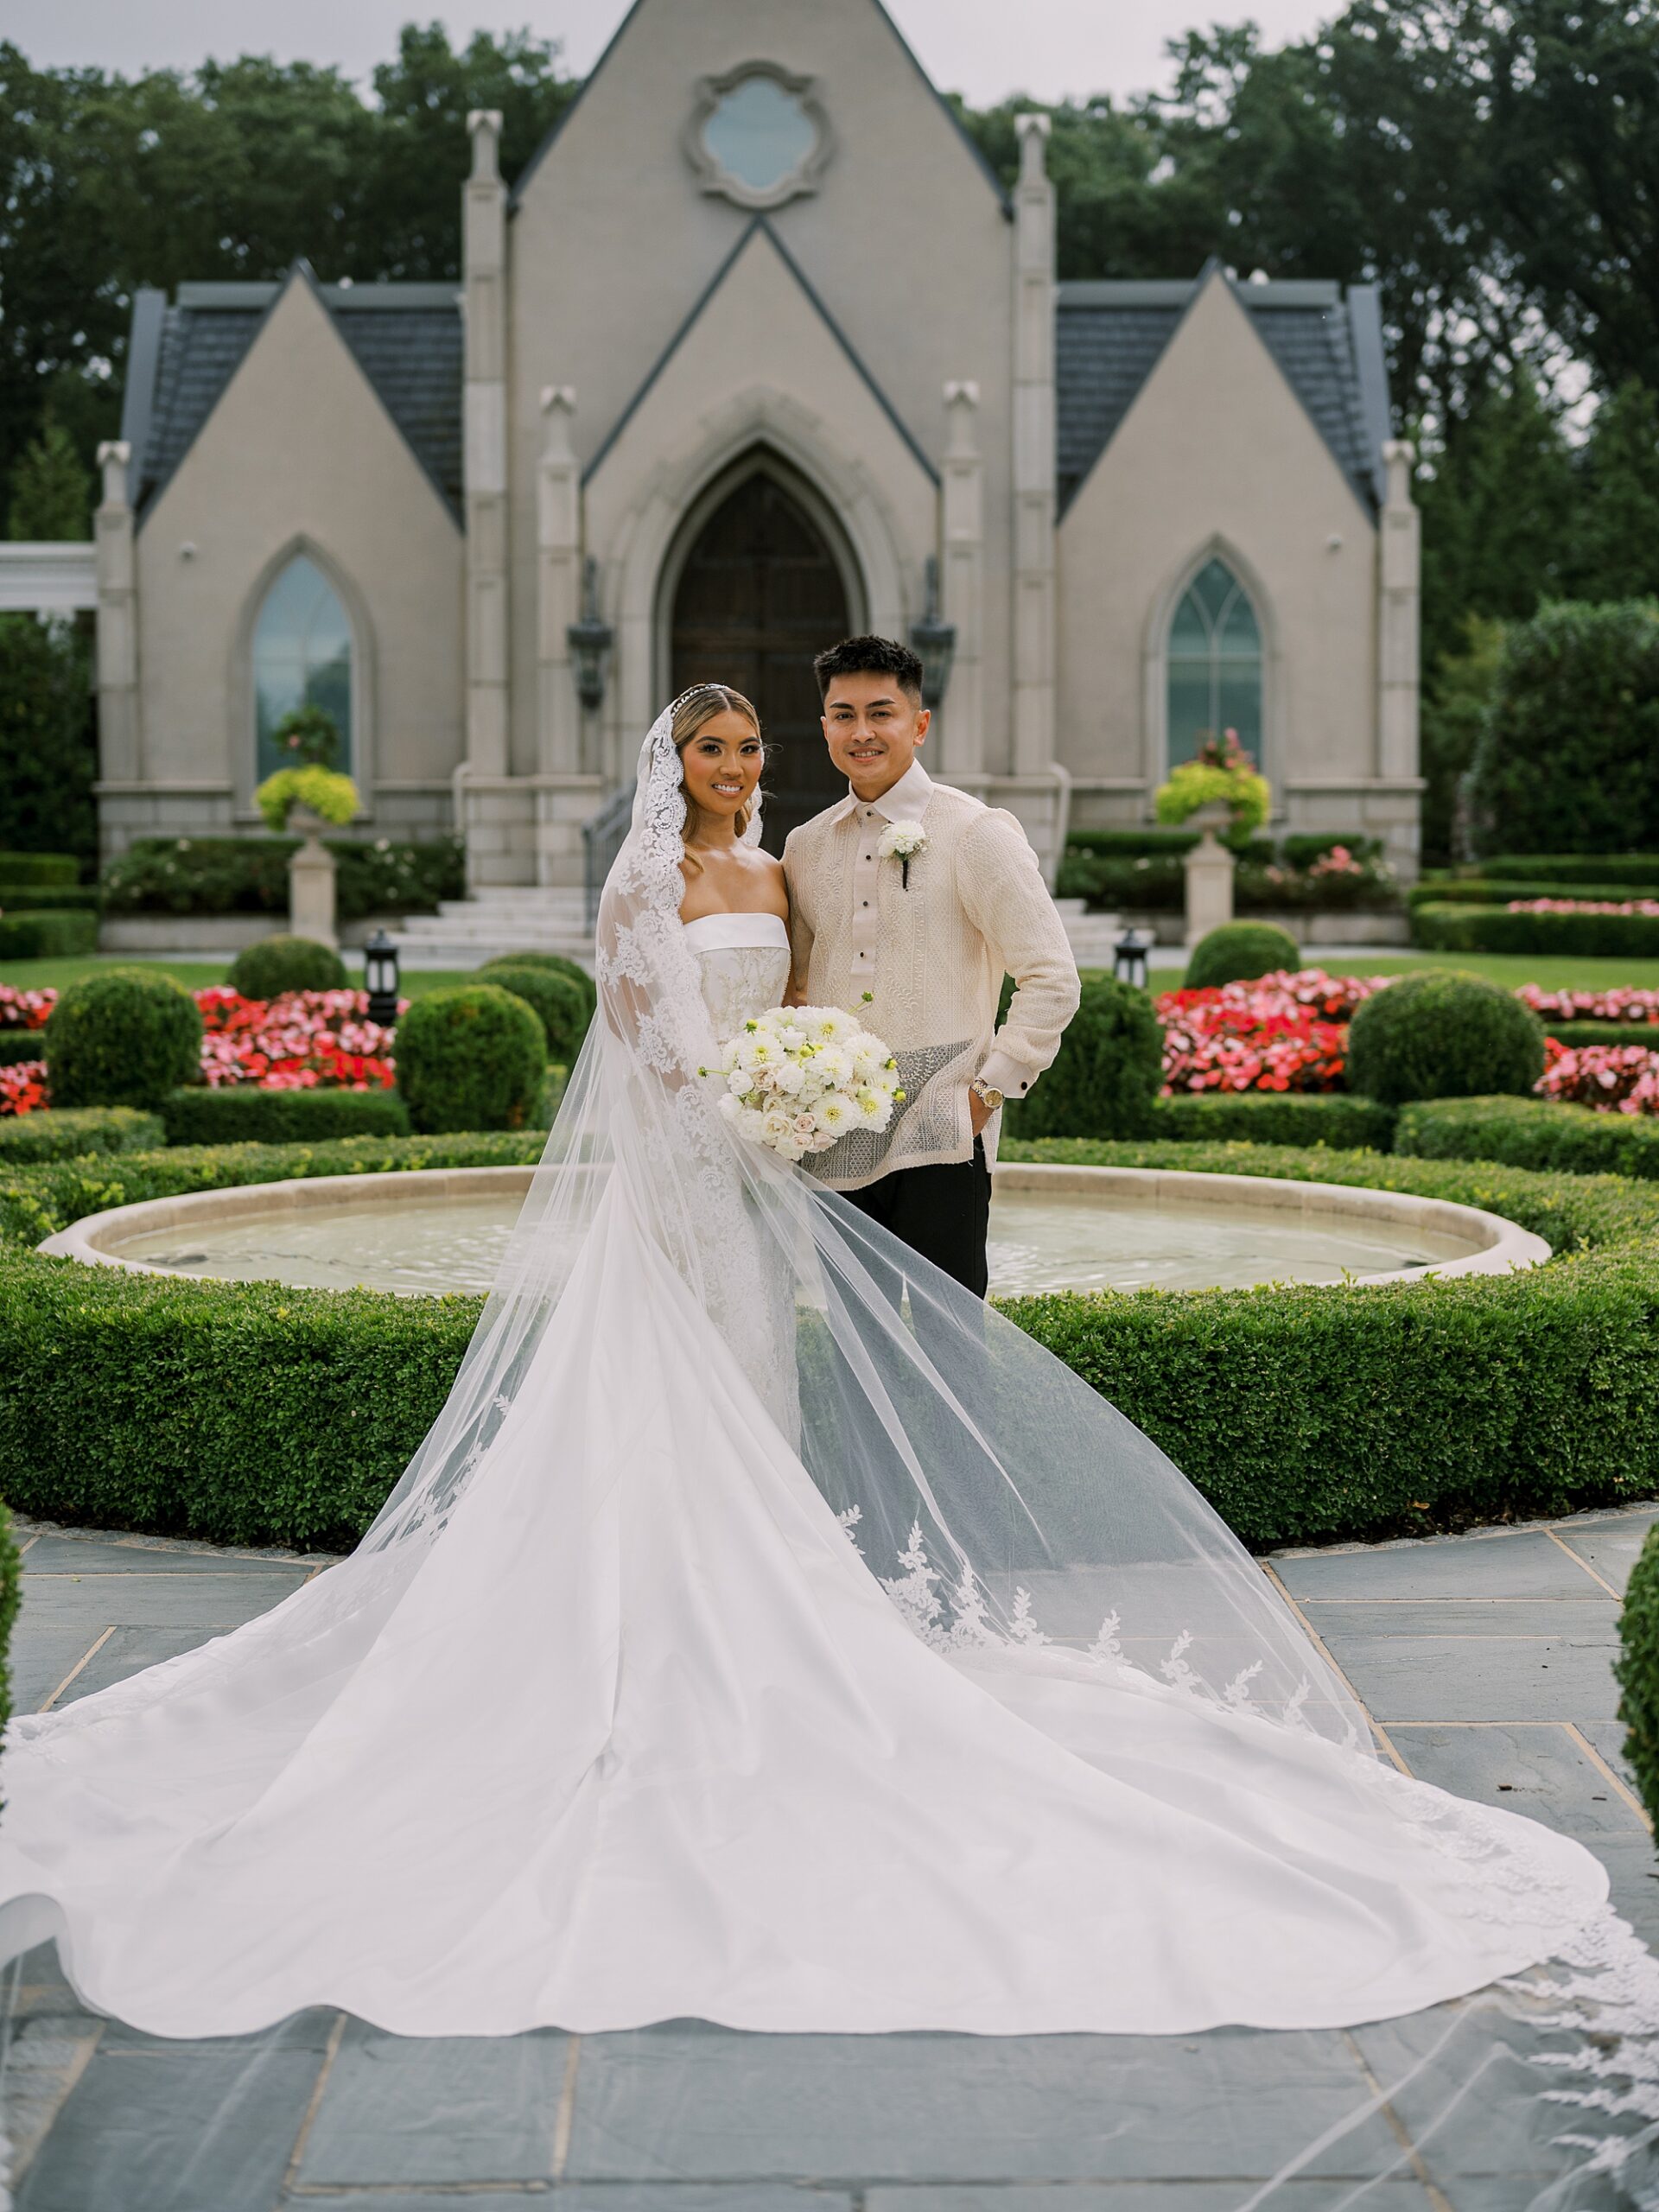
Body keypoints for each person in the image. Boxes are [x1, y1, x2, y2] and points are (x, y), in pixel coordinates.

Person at [0, 684, 1649, 2208]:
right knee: (661, 1403)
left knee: (755, 1409)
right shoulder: (641, 889)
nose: (738, 774)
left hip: (769, 1175)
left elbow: (818, 1010)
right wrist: (734, 1108)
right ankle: (628, 1639)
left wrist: (808, 1098)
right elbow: (637, 1046)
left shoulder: (785, 880)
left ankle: (754, 1613)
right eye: (714, 754)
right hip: (680, 1183)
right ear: (671, 768)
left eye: (750, 754)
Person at [783, 636, 1079, 1298]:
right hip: (836, 1139)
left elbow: (1052, 978)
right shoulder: (804, 846)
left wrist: (986, 1095)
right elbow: (797, 986)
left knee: (953, 1353)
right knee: (855, 1352)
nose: (862, 731)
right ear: (824, 725)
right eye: (844, 714)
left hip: (943, 1136)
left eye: (880, 712)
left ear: (918, 725)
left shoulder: (976, 833)